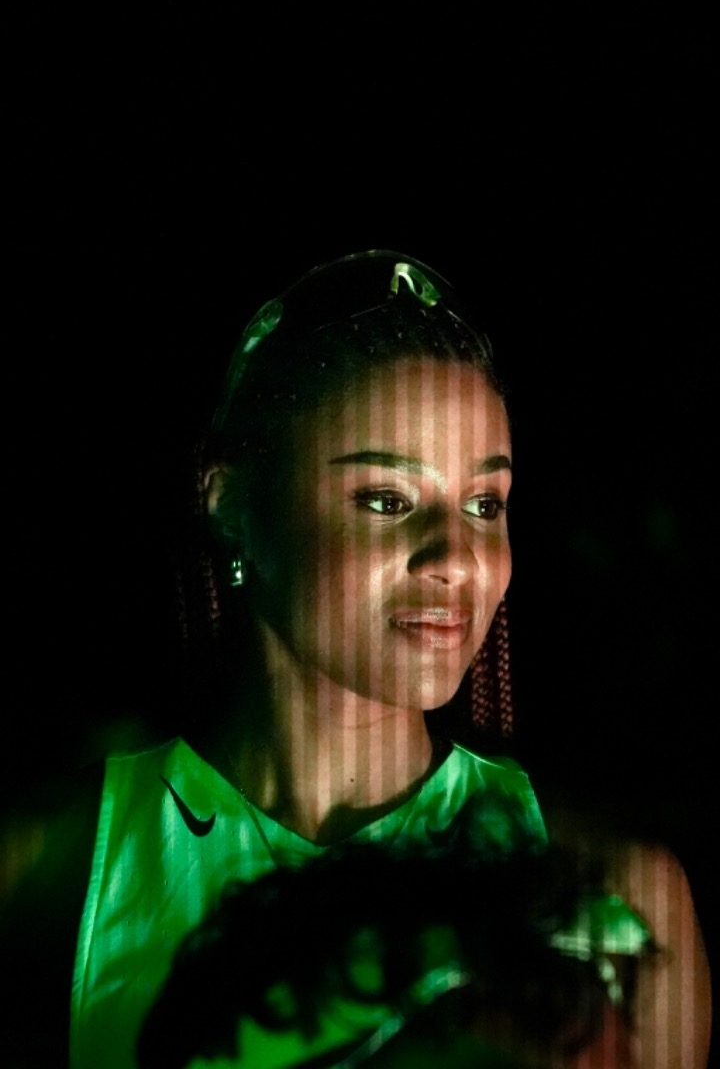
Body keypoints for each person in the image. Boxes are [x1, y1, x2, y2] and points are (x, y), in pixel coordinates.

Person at [0, 251, 711, 1067]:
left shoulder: (619, 898)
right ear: (233, 506)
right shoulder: (49, 870)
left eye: (485, 504)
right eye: (387, 500)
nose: (456, 558)